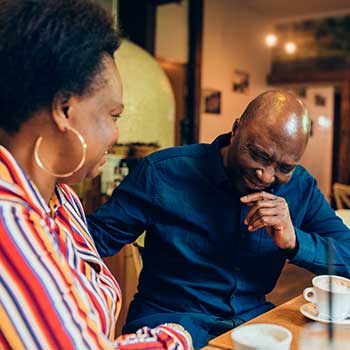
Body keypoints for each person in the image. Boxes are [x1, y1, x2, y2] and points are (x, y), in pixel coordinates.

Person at [88, 90, 350, 348]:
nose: (266, 176)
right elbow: (88, 245)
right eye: (259, 155)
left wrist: (295, 241)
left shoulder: (300, 188)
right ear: (236, 129)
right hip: (170, 325)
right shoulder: (162, 173)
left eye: (284, 168)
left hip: (253, 325)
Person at [0, 1, 193, 349]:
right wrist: (179, 335)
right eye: (113, 115)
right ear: (64, 109)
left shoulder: (62, 199)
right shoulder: (8, 220)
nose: (116, 135)